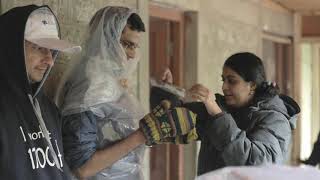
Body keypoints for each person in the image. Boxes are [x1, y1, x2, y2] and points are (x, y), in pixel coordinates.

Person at [54, 6, 196, 180]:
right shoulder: (90, 88)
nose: (132, 54)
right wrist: (144, 134)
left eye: (135, 46)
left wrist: (160, 129)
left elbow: (114, 131)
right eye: (127, 45)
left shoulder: (110, 81)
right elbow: (82, 168)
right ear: (104, 39)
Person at [151, 52, 300, 175]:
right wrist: (165, 89)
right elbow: (168, 125)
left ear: (252, 85)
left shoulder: (275, 119)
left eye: (232, 81)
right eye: (223, 80)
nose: (224, 87)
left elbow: (254, 165)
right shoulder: (224, 108)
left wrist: (217, 114)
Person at [0, 5, 81, 180]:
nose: (50, 61)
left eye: (52, 50)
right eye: (39, 48)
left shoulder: (48, 109)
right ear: (11, 48)